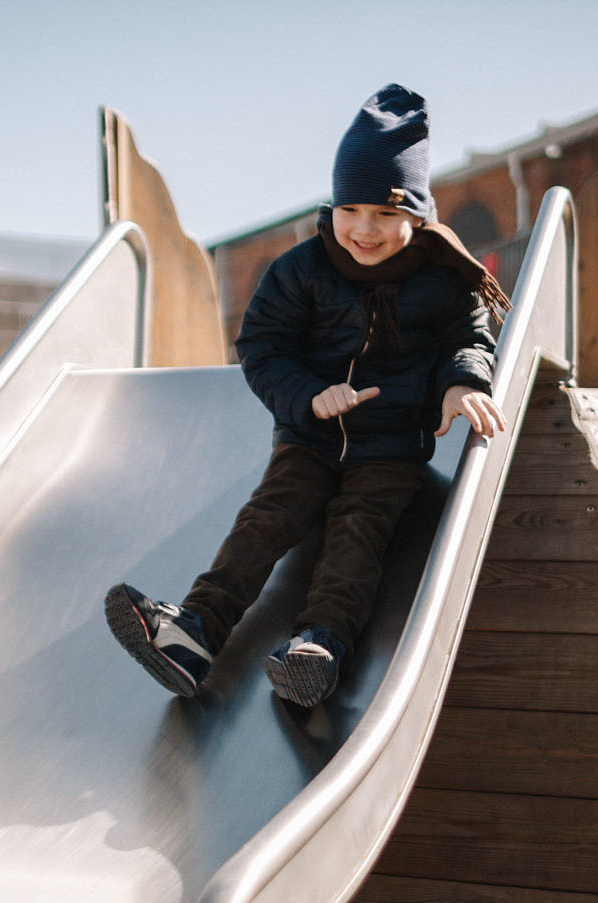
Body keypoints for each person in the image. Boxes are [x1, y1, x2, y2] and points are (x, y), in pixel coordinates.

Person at [105, 83, 509, 707]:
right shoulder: (302, 270)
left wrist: (461, 382)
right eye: (350, 210)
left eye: (385, 213)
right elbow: (261, 345)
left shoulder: (443, 278)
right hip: (310, 437)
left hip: (392, 445)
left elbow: (471, 334)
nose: (363, 229)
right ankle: (195, 632)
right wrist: (309, 395)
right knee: (268, 518)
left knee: (358, 533)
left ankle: (319, 647)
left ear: (417, 216)